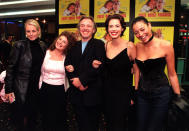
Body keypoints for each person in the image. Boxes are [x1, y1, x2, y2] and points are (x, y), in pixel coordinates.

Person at [131, 16, 180, 131]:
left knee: (154, 128)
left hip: (161, 94)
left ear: (149, 25)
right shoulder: (137, 46)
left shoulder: (166, 46)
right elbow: (137, 70)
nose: (140, 34)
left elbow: (172, 74)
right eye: (136, 32)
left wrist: (178, 96)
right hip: (142, 95)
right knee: (140, 126)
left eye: (142, 29)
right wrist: (136, 90)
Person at [93, 14, 137, 131]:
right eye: (110, 26)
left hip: (123, 95)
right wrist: (95, 65)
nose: (113, 29)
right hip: (106, 93)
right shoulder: (106, 45)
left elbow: (136, 71)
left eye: (117, 26)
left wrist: (133, 94)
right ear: (107, 29)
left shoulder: (130, 46)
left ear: (122, 28)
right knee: (109, 124)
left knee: (119, 125)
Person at [64, 16, 106, 131]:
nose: (85, 28)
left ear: (93, 30)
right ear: (79, 28)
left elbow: (100, 67)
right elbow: (67, 65)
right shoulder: (73, 46)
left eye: (89, 26)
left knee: (92, 126)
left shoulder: (99, 44)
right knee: (80, 125)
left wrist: (82, 81)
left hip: (93, 94)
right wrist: (74, 81)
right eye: (82, 25)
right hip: (76, 94)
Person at [4, 19, 46, 131]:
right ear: (25, 32)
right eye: (28, 31)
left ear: (38, 31)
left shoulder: (42, 45)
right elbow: (11, 68)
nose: (31, 34)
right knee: (20, 118)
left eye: (33, 31)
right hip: (21, 87)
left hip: (36, 87)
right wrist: (8, 89)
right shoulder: (19, 45)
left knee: (34, 116)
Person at [39, 31, 76, 131]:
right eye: (60, 39)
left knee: (59, 117)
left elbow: (74, 71)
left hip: (60, 90)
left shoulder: (68, 57)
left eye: (64, 42)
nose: (60, 42)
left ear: (67, 46)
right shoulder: (45, 53)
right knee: (46, 116)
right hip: (45, 88)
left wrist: (72, 69)